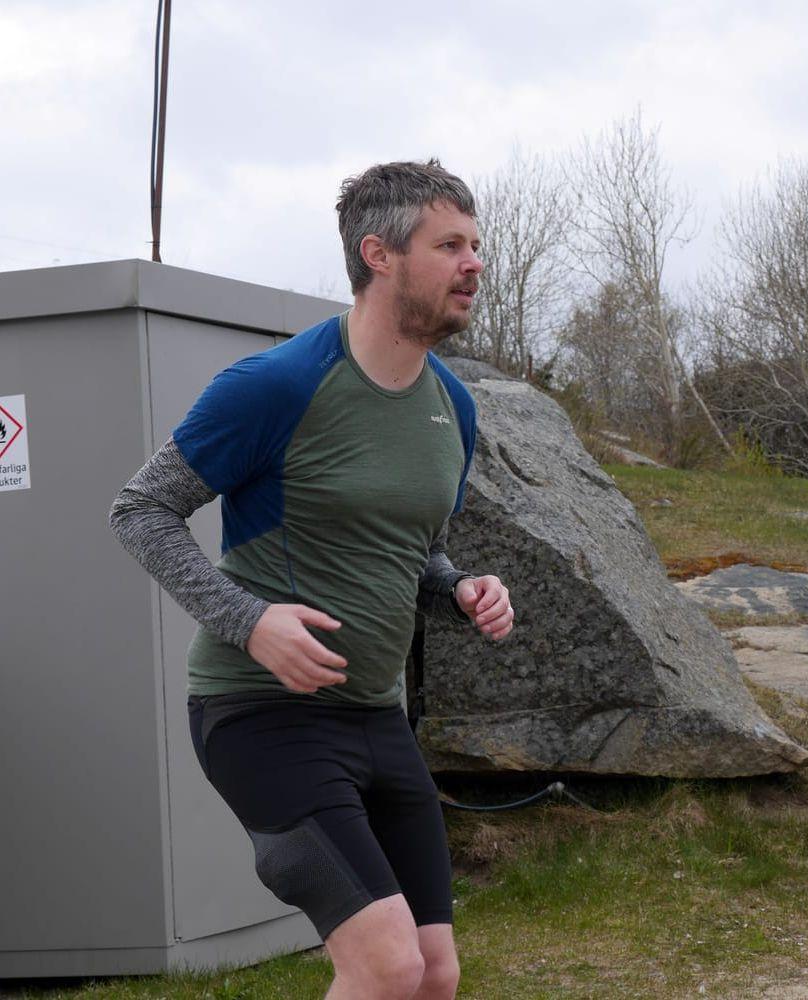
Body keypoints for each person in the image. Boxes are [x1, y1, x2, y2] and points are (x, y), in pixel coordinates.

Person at [109, 160, 512, 1000]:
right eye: (450, 245)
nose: (475, 263)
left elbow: (414, 552)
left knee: (434, 974)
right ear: (379, 254)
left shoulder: (455, 410)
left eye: (476, 244)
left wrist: (461, 588)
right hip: (262, 715)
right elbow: (141, 511)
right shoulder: (277, 385)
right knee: (385, 964)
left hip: (376, 716)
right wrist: (249, 620)